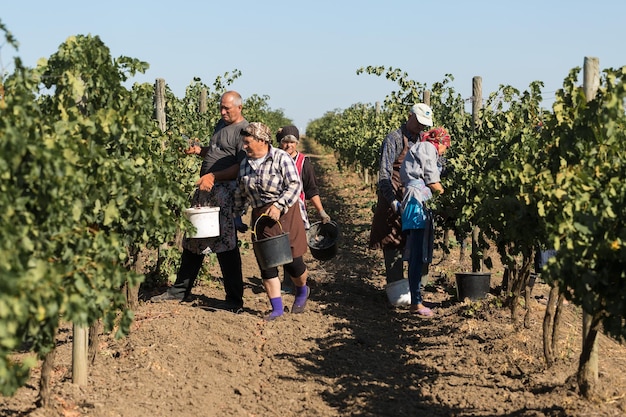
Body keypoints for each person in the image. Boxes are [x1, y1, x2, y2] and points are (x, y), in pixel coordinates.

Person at [151, 91, 247, 311]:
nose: (223, 112)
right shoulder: (220, 125)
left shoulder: (243, 131)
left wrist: (213, 176)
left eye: (227, 109)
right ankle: (179, 291)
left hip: (224, 193)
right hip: (207, 191)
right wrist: (197, 150)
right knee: (194, 240)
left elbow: (240, 167)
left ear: (239, 108)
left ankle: (234, 300)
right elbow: (215, 152)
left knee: (226, 244)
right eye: (221, 108)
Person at [233, 122, 311, 321]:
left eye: (248, 142)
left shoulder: (280, 158)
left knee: (293, 262)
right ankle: (276, 308)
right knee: (267, 263)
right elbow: (241, 193)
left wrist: (279, 205)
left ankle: (302, 290)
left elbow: (295, 184)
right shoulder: (245, 164)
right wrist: (236, 215)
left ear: (261, 141)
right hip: (261, 217)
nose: (244, 146)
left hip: (285, 214)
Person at [368, 103, 433, 305]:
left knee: (419, 244)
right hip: (395, 198)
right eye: (419, 122)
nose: (421, 128)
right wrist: (393, 201)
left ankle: (417, 292)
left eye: (425, 125)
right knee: (393, 242)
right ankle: (397, 289)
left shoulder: (424, 140)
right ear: (409, 116)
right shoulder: (394, 138)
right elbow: (385, 174)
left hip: (417, 200)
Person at [400, 126, 451, 317]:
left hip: (419, 200)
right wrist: (448, 202)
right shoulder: (428, 148)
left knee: (418, 252)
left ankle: (417, 299)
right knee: (416, 254)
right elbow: (431, 180)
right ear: (440, 142)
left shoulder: (425, 148)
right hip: (417, 201)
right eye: (446, 146)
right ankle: (416, 302)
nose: (445, 151)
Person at [276, 125, 331, 293]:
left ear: (297, 143)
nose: (289, 146)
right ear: (280, 142)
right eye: (285, 142)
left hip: (296, 211)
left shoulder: (303, 162)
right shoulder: (274, 159)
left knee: (293, 246)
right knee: (280, 245)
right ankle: (287, 281)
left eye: (292, 142)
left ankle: (292, 282)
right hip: (277, 209)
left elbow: (311, 189)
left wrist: (321, 211)